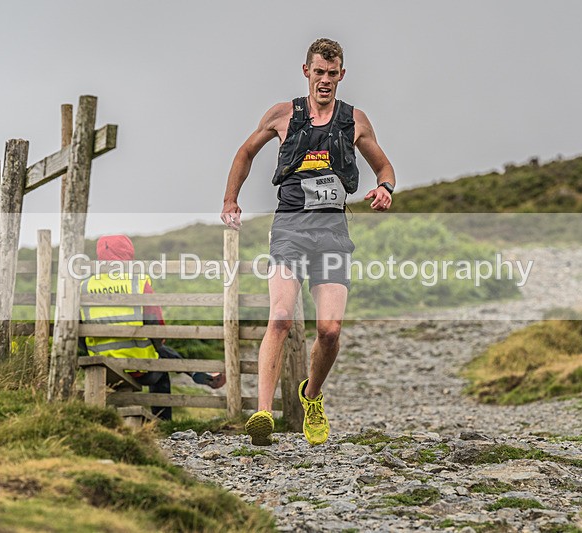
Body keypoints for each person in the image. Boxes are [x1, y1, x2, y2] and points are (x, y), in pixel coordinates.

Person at [220, 38, 396, 445]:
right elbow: (245, 153)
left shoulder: (355, 121)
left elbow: (383, 164)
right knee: (280, 317)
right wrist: (231, 199)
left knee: (330, 330)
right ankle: (262, 414)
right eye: (319, 72)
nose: (325, 80)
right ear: (306, 72)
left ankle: (311, 396)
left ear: (342, 75)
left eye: (332, 74)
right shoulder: (283, 115)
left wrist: (385, 187)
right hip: (290, 227)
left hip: (332, 232)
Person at [79, 235, 225, 421]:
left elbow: (78, 332)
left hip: (100, 363)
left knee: (162, 354)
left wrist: (93, 354)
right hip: (138, 365)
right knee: (162, 363)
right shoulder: (138, 282)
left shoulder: (84, 286)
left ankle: (196, 372)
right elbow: (156, 325)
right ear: (128, 252)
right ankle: (163, 423)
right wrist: (158, 344)